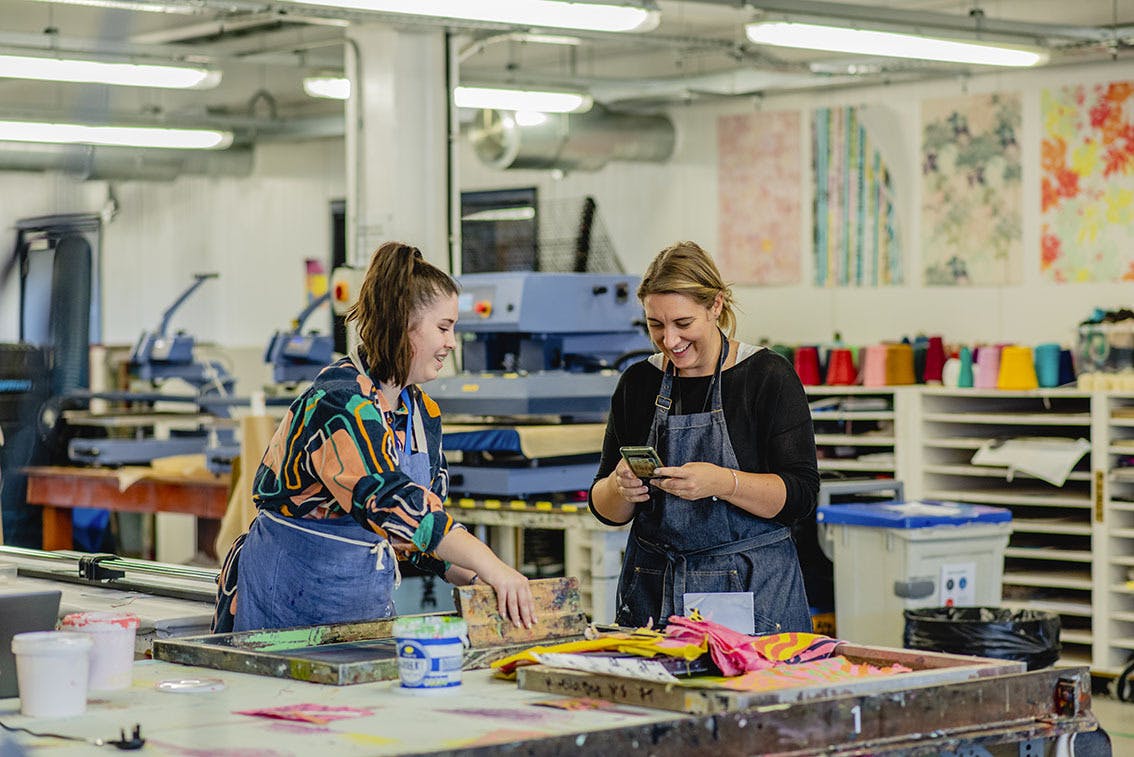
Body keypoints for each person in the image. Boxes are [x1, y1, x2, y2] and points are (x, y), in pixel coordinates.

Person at [214, 241, 535, 632]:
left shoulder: (421, 413)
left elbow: (413, 529)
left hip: (360, 595)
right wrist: (495, 567)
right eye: (444, 328)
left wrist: (469, 575)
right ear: (404, 324)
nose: (452, 343)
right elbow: (389, 501)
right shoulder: (341, 403)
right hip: (290, 593)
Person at [589, 241, 818, 633]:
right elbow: (604, 508)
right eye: (655, 325)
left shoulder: (766, 377)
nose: (670, 341)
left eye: (683, 324)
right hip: (653, 590)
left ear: (716, 306)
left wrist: (722, 482)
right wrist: (619, 486)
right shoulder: (638, 384)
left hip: (750, 592)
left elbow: (800, 496)